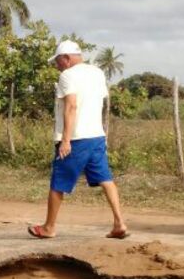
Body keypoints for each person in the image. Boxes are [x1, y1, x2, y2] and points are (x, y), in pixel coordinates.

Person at [28, 40, 128, 240]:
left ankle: (49, 227)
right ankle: (119, 223)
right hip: (96, 135)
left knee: (59, 182)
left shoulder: (67, 75)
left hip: (76, 138)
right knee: (105, 179)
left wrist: (66, 140)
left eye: (58, 61)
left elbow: (71, 106)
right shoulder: (97, 72)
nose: (57, 65)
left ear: (66, 58)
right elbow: (99, 101)